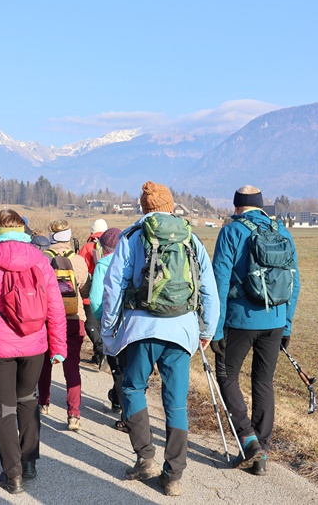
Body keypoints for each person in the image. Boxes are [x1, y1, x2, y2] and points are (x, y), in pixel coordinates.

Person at [100, 181, 219, 496]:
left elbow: (113, 287)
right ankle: (173, 475)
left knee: (132, 388)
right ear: (171, 206)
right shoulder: (190, 237)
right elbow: (208, 287)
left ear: (144, 207)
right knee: (175, 402)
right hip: (181, 330)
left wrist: (109, 331)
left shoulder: (132, 237)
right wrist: (206, 330)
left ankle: (145, 458)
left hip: (141, 329)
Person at [0, 209, 67, 495]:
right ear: (22, 230)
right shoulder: (40, 260)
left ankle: (13, 474)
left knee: (4, 408)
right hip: (34, 344)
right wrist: (59, 347)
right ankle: (29, 463)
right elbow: (55, 307)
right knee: (28, 400)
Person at [211, 185, 301, 476]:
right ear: (261, 206)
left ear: (237, 207)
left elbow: (219, 282)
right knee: (263, 382)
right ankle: (262, 450)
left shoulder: (231, 232)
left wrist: (216, 329)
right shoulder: (282, 231)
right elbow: (295, 282)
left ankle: (248, 441)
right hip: (275, 320)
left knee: (226, 374)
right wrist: (287, 325)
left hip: (240, 320)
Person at [37, 219, 90, 431]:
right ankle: (74, 414)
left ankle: (44, 403)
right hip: (73, 317)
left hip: (46, 318)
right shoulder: (78, 260)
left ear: (51, 237)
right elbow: (85, 288)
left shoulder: (41, 258)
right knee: (72, 366)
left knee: (44, 363)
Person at [87, 227, 126, 432]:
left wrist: (101, 319)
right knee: (132, 366)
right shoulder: (133, 259)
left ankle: (123, 409)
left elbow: (95, 299)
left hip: (112, 322)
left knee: (117, 368)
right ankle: (120, 401)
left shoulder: (103, 264)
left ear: (104, 247)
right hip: (133, 320)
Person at [78, 218, 108, 367]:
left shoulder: (87, 247)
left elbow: (81, 269)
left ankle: (100, 349)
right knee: (102, 325)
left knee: (90, 323)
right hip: (109, 292)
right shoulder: (112, 246)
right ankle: (98, 355)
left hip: (91, 292)